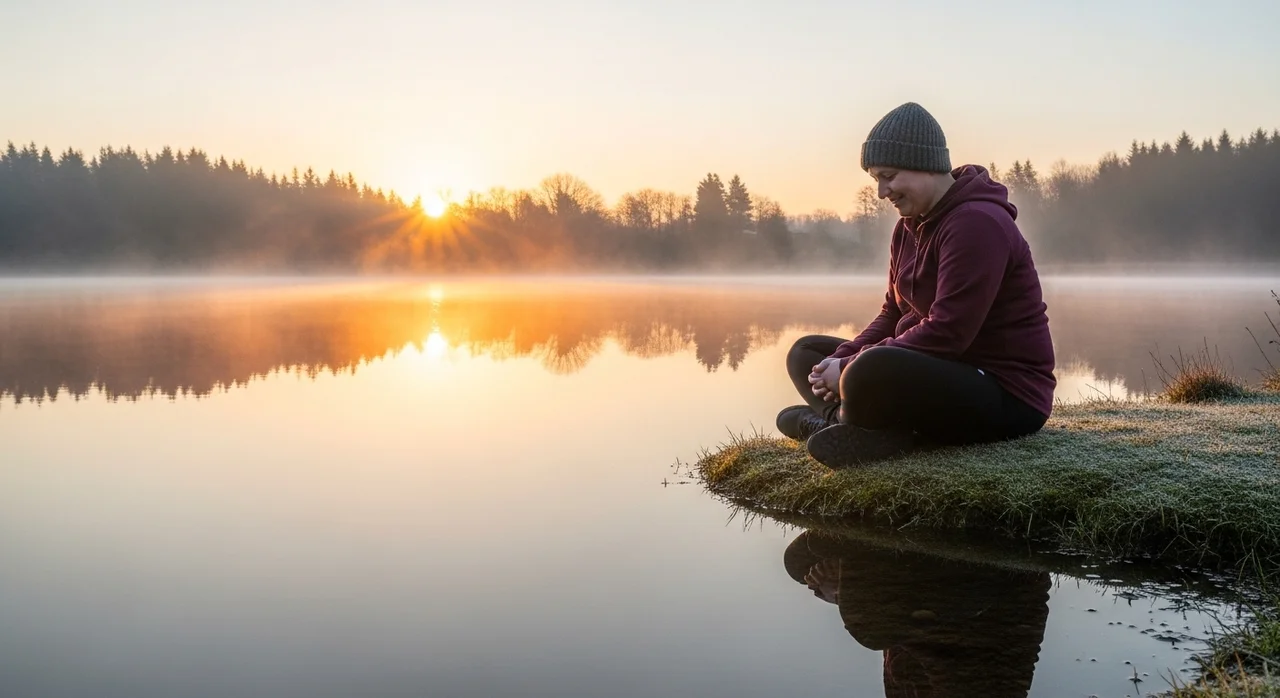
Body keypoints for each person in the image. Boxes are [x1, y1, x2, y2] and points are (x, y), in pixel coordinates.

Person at [777, 102, 1056, 468]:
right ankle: (862, 431)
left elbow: (949, 332)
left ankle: (838, 424)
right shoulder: (907, 228)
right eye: (876, 179)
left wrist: (849, 366)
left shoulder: (977, 223)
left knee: (869, 368)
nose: (881, 191)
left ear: (924, 165)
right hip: (939, 372)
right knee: (806, 352)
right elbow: (893, 313)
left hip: (1005, 392)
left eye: (888, 176)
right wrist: (841, 358)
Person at [782, 531, 1052, 698]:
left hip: (938, 601)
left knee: (797, 563)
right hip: (988, 591)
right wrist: (848, 593)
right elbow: (943, 650)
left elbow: (904, 635)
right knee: (868, 629)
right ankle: (866, 533)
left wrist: (844, 593)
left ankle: (868, 532)